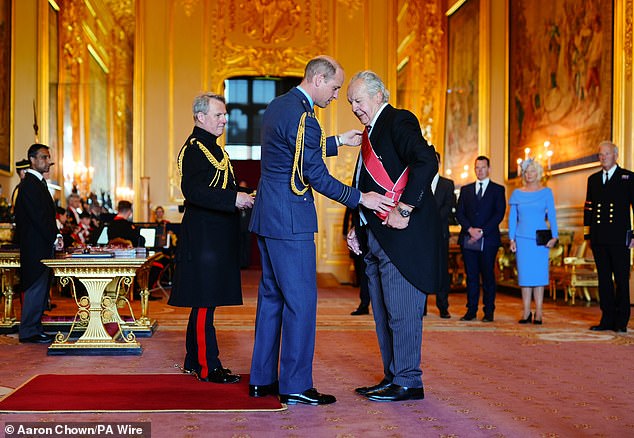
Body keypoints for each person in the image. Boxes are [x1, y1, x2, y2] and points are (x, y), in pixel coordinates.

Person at [248, 56, 393, 406]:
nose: (336, 95)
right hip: (292, 221)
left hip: (267, 216)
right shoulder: (306, 118)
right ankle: (296, 384)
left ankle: (261, 378)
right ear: (317, 78)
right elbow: (315, 175)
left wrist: (338, 142)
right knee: (300, 302)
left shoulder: (278, 107)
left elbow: (291, 153)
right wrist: (362, 199)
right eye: (335, 87)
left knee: (271, 298)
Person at [346, 70, 441, 402]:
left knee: (402, 312)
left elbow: (426, 162)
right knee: (384, 313)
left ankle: (409, 381)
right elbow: (365, 188)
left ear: (378, 95)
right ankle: (393, 376)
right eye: (350, 102)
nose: (354, 107)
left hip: (401, 238)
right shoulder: (369, 134)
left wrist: (403, 210)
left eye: (358, 100)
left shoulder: (399, 121)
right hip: (374, 237)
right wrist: (356, 228)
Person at [168, 92, 254, 383]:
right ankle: (208, 367)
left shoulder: (218, 151)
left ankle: (194, 360)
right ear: (200, 117)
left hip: (216, 239)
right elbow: (194, 192)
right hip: (204, 239)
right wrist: (234, 198)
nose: (225, 120)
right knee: (204, 302)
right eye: (218, 115)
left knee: (206, 303)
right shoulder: (194, 149)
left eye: (225, 114)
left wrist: (242, 198)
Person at [14, 144, 62, 343]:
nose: (48, 161)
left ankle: (35, 327)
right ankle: (28, 331)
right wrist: (54, 236)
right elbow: (38, 217)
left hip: (41, 244)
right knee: (35, 288)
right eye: (43, 157)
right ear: (32, 160)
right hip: (35, 246)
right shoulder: (29, 185)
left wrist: (55, 235)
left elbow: (47, 216)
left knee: (41, 289)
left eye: (49, 157)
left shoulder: (38, 183)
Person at [584, 141, 634, 333]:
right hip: (599, 238)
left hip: (620, 238)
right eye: (600, 155)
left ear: (615, 155)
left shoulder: (628, 177)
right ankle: (606, 319)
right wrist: (588, 235)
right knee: (603, 280)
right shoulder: (593, 179)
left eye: (606, 154)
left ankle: (621, 321)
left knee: (621, 279)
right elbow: (588, 208)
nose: (602, 157)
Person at [456, 156, 506, 322]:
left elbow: (499, 213)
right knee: (471, 276)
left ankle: (489, 311)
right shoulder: (466, 190)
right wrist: (470, 229)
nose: (480, 170)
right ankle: (471, 311)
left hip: (489, 239)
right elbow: (459, 213)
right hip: (468, 239)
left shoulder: (498, 190)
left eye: (483, 167)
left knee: (488, 276)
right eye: (477, 168)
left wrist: (482, 231)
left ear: (489, 169)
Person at [508, 159, 558, 325]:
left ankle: (539, 313)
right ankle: (526, 311)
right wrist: (511, 239)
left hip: (541, 240)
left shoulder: (546, 192)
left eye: (532, 171)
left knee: (539, 276)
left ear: (539, 173)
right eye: (526, 172)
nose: (529, 175)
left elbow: (552, 215)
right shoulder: (517, 193)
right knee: (525, 277)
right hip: (522, 239)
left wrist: (555, 237)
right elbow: (512, 218)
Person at [429, 152, 455, 319]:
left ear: (439, 163)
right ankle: (421, 308)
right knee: (420, 268)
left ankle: (443, 306)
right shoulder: (419, 182)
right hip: (421, 235)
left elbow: (449, 206)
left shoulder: (447, 184)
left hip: (440, 233)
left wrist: (430, 220)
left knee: (441, 271)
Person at [342, 206, 369, 315]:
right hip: (360, 231)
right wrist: (346, 230)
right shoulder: (356, 188)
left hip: (383, 229)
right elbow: (350, 210)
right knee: (363, 270)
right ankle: (364, 304)